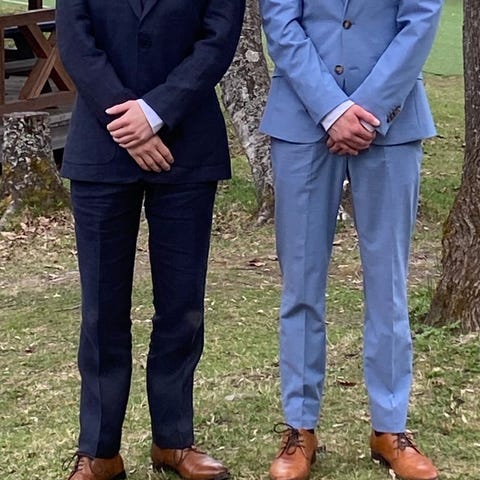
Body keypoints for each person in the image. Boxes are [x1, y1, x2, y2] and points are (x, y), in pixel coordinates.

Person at [56, 1, 244, 479]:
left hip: (187, 145)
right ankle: (100, 451)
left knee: (182, 307)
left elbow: (218, 38)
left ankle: (174, 440)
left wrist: (157, 112)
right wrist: (129, 123)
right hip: (101, 146)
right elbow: (75, 40)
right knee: (101, 310)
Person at [259, 1, 443, 479]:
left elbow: (421, 18)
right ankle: (300, 427)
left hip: (391, 123)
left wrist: (370, 110)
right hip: (301, 121)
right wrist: (331, 108)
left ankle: (390, 427)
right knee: (300, 284)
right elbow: (280, 20)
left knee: (389, 285)